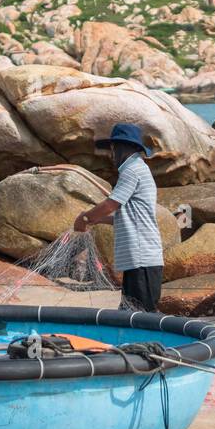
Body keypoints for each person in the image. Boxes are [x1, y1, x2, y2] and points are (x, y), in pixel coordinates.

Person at [72, 123, 163, 312]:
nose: (111, 154)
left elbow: (110, 204)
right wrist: (99, 220)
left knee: (141, 315)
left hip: (142, 258)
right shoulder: (136, 168)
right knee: (131, 313)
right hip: (138, 259)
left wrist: (85, 218)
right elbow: (127, 217)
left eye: (113, 148)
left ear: (123, 147)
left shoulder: (132, 170)